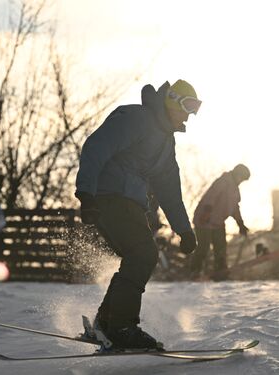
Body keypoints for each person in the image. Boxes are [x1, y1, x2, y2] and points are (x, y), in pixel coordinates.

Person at [75, 79, 201, 350]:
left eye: (195, 108)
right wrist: (85, 193)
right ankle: (121, 328)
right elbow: (96, 146)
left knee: (138, 256)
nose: (189, 113)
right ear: (171, 99)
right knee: (143, 254)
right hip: (108, 197)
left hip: (130, 204)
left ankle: (107, 324)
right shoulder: (136, 118)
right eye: (187, 105)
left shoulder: (166, 142)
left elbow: (169, 190)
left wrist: (185, 230)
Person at [189, 164, 251, 279]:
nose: (241, 181)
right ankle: (195, 271)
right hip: (204, 220)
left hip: (218, 222)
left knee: (221, 247)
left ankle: (220, 271)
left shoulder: (235, 190)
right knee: (203, 247)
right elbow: (211, 196)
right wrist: (206, 212)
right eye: (241, 178)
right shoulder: (223, 181)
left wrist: (240, 224)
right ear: (237, 174)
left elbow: (235, 208)